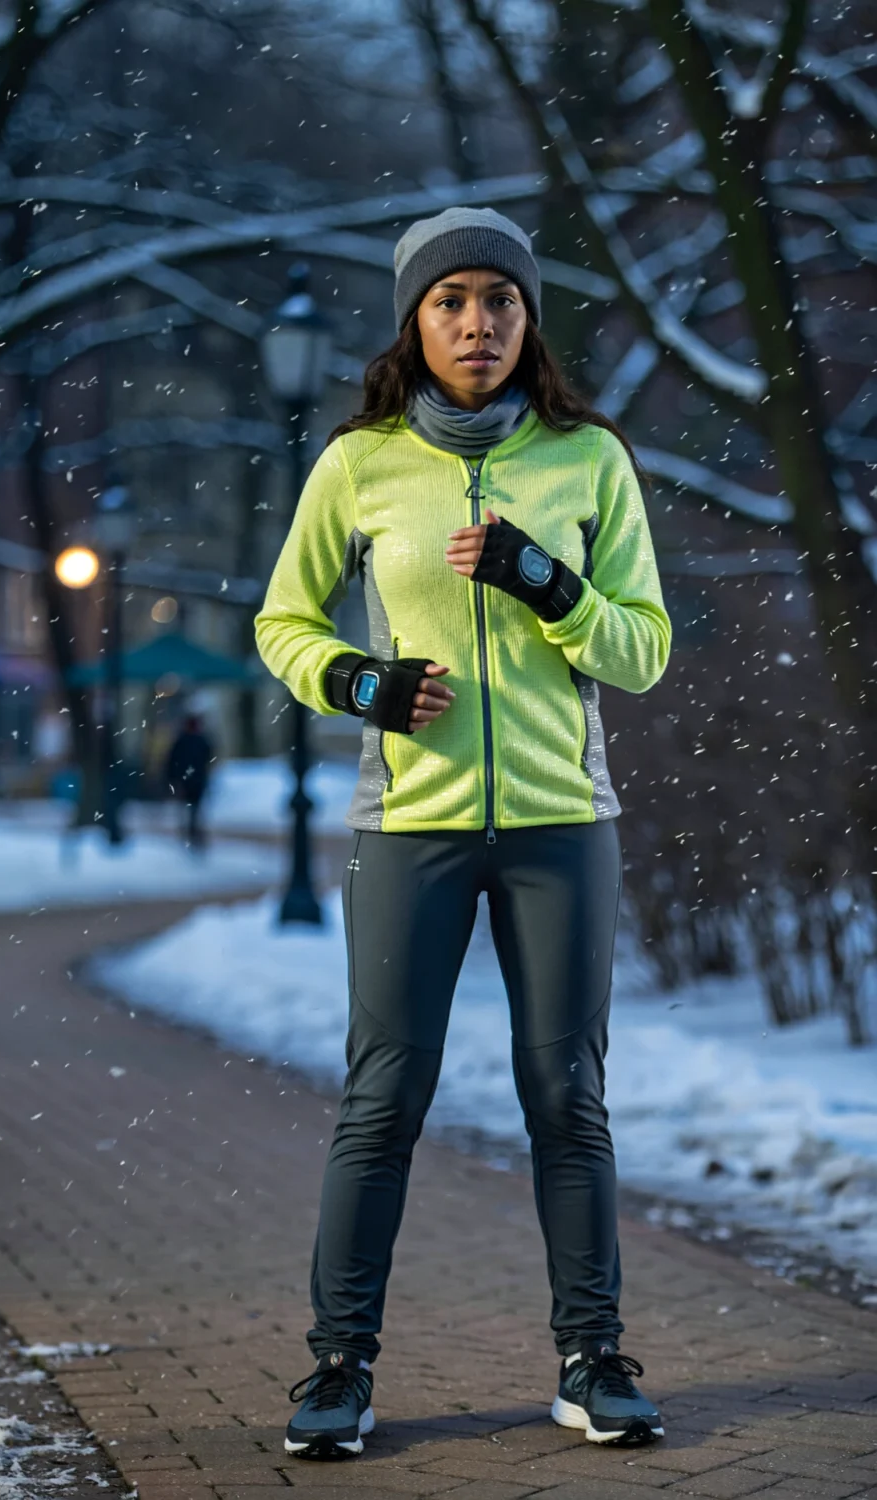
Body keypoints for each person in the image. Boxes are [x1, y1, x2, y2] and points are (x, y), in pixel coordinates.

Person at [254, 206, 672, 1460]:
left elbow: (643, 651)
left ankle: (592, 1359)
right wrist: (361, 686)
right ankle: (337, 1368)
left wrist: (548, 583)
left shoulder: (588, 459)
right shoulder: (360, 463)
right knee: (381, 1099)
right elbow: (283, 624)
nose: (476, 322)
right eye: (450, 302)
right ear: (415, 321)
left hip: (560, 823)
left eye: (498, 299)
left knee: (568, 1099)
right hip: (411, 826)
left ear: (526, 316)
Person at [164, 713, 215, 847]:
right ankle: (192, 833)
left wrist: (173, 778)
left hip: (188, 781)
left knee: (189, 810)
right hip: (195, 781)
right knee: (194, 810)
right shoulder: (200, 741)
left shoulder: (183, 741)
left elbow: (172, 761)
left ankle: (189, 833)